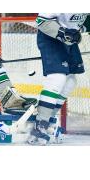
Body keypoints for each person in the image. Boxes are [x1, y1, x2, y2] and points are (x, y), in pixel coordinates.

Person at [28, 13, 89, 145]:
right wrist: (63, 32)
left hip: (69, 40)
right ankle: (40, 124)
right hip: (51, 38)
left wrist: (79, 31)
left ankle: (48, 119)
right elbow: (41, 21)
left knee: (70, 82)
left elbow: (85, 23)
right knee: (57, 78)